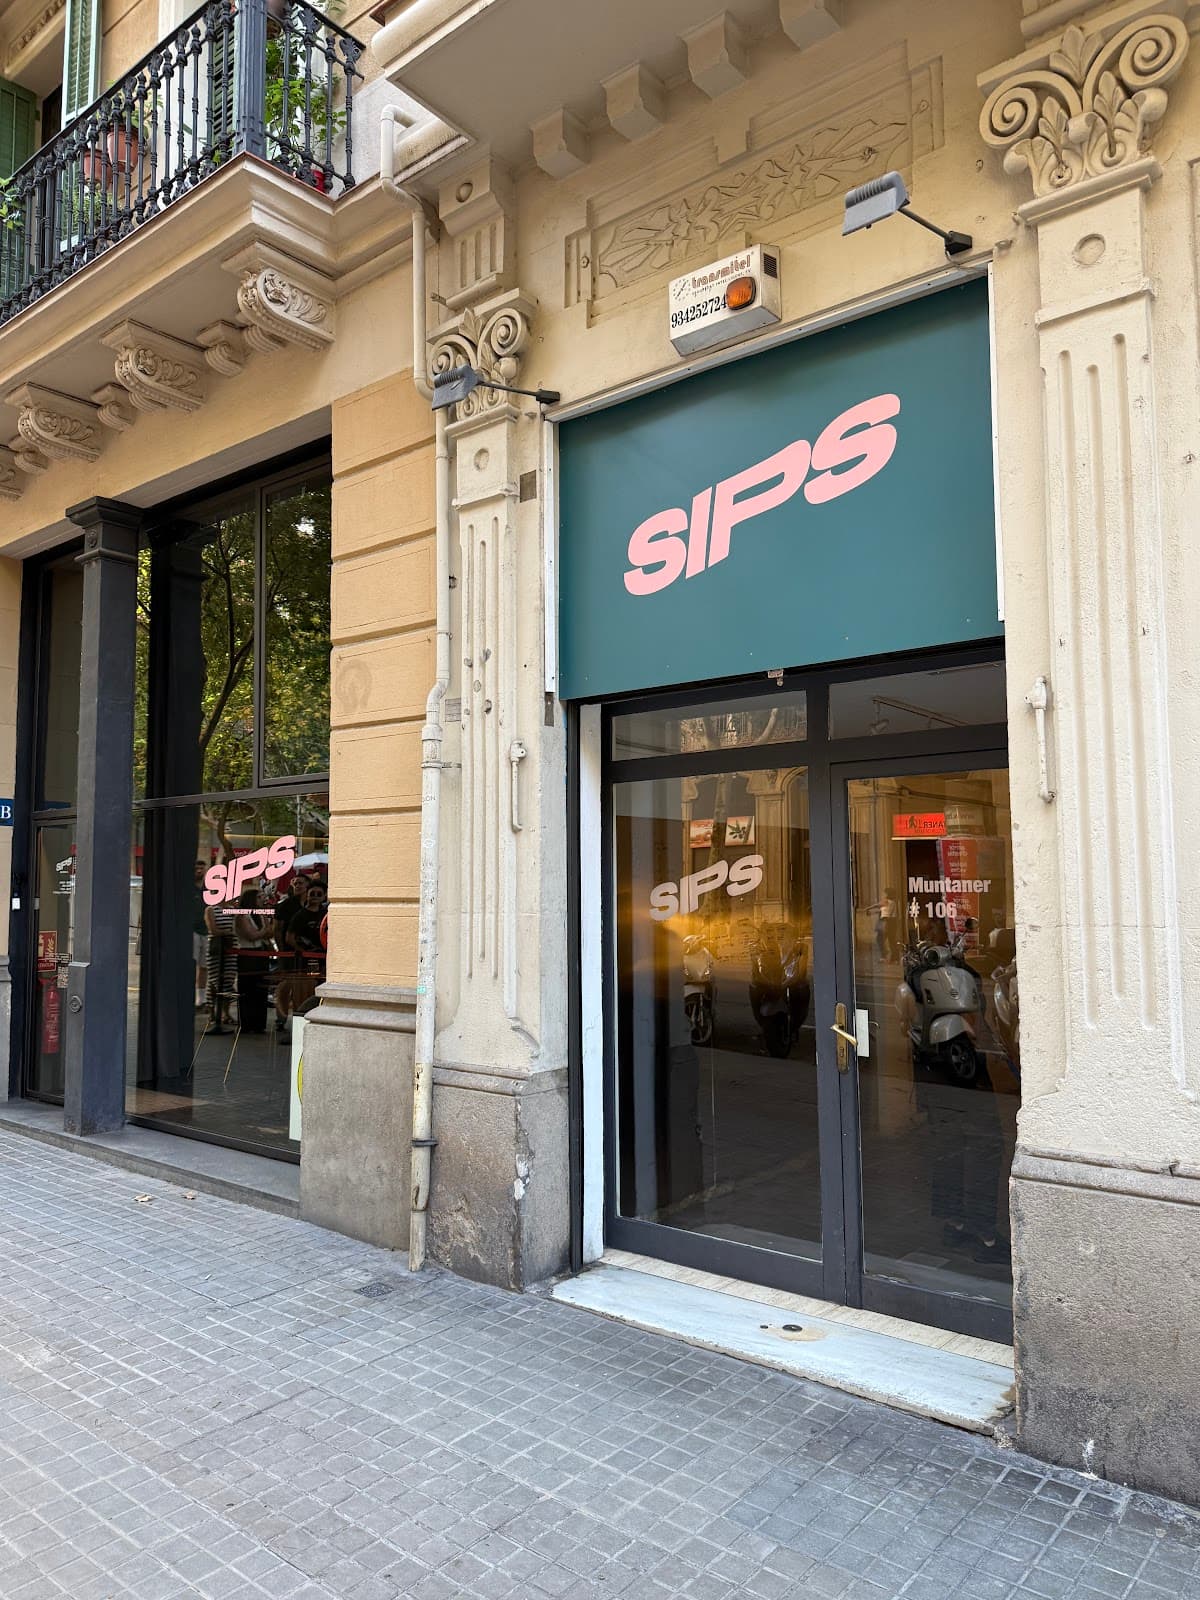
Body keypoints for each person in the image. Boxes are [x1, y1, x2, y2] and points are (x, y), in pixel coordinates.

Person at [233, 887, 273, 1033]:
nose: (263, 899)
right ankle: (246, 1023)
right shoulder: (242, 915)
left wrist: (263, 931)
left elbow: (269, 933)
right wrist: (263, 931)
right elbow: (251, 935)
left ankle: (259, 1024)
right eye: (259, 897)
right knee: (247, 989)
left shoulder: (260, 914)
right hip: (247, 954)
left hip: (261, 953)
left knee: (261, 989)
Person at [287, 881, 328, 956]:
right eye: (312, 893)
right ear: (307, 894)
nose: (315, 896)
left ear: (324, 896)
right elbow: (289, 938)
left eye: (319, 894)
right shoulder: (300, 915)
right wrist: (303, 951)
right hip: (306, 957)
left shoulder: (326, 913)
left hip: (324, 954)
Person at [192, 860, 210, 1008]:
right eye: (196, 868)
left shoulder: (208, 888)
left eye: (201, 869)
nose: (199, 871)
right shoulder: (187, 888)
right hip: (192, 931)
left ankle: (201, 999)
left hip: (206, 930)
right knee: (192, 964)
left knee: (204, 966)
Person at [869, 886, 897, 960]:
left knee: (880, 939)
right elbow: (882, 910)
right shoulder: (891, 902)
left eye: (884, 893)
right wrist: (872, 912)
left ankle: (885, 955)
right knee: (890, 940)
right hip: (889, 921)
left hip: (886, 921)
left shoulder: (887, 901)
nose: (883, 894)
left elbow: (877, 905)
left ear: (887, 894)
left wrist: (868, 909)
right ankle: (892, 957)